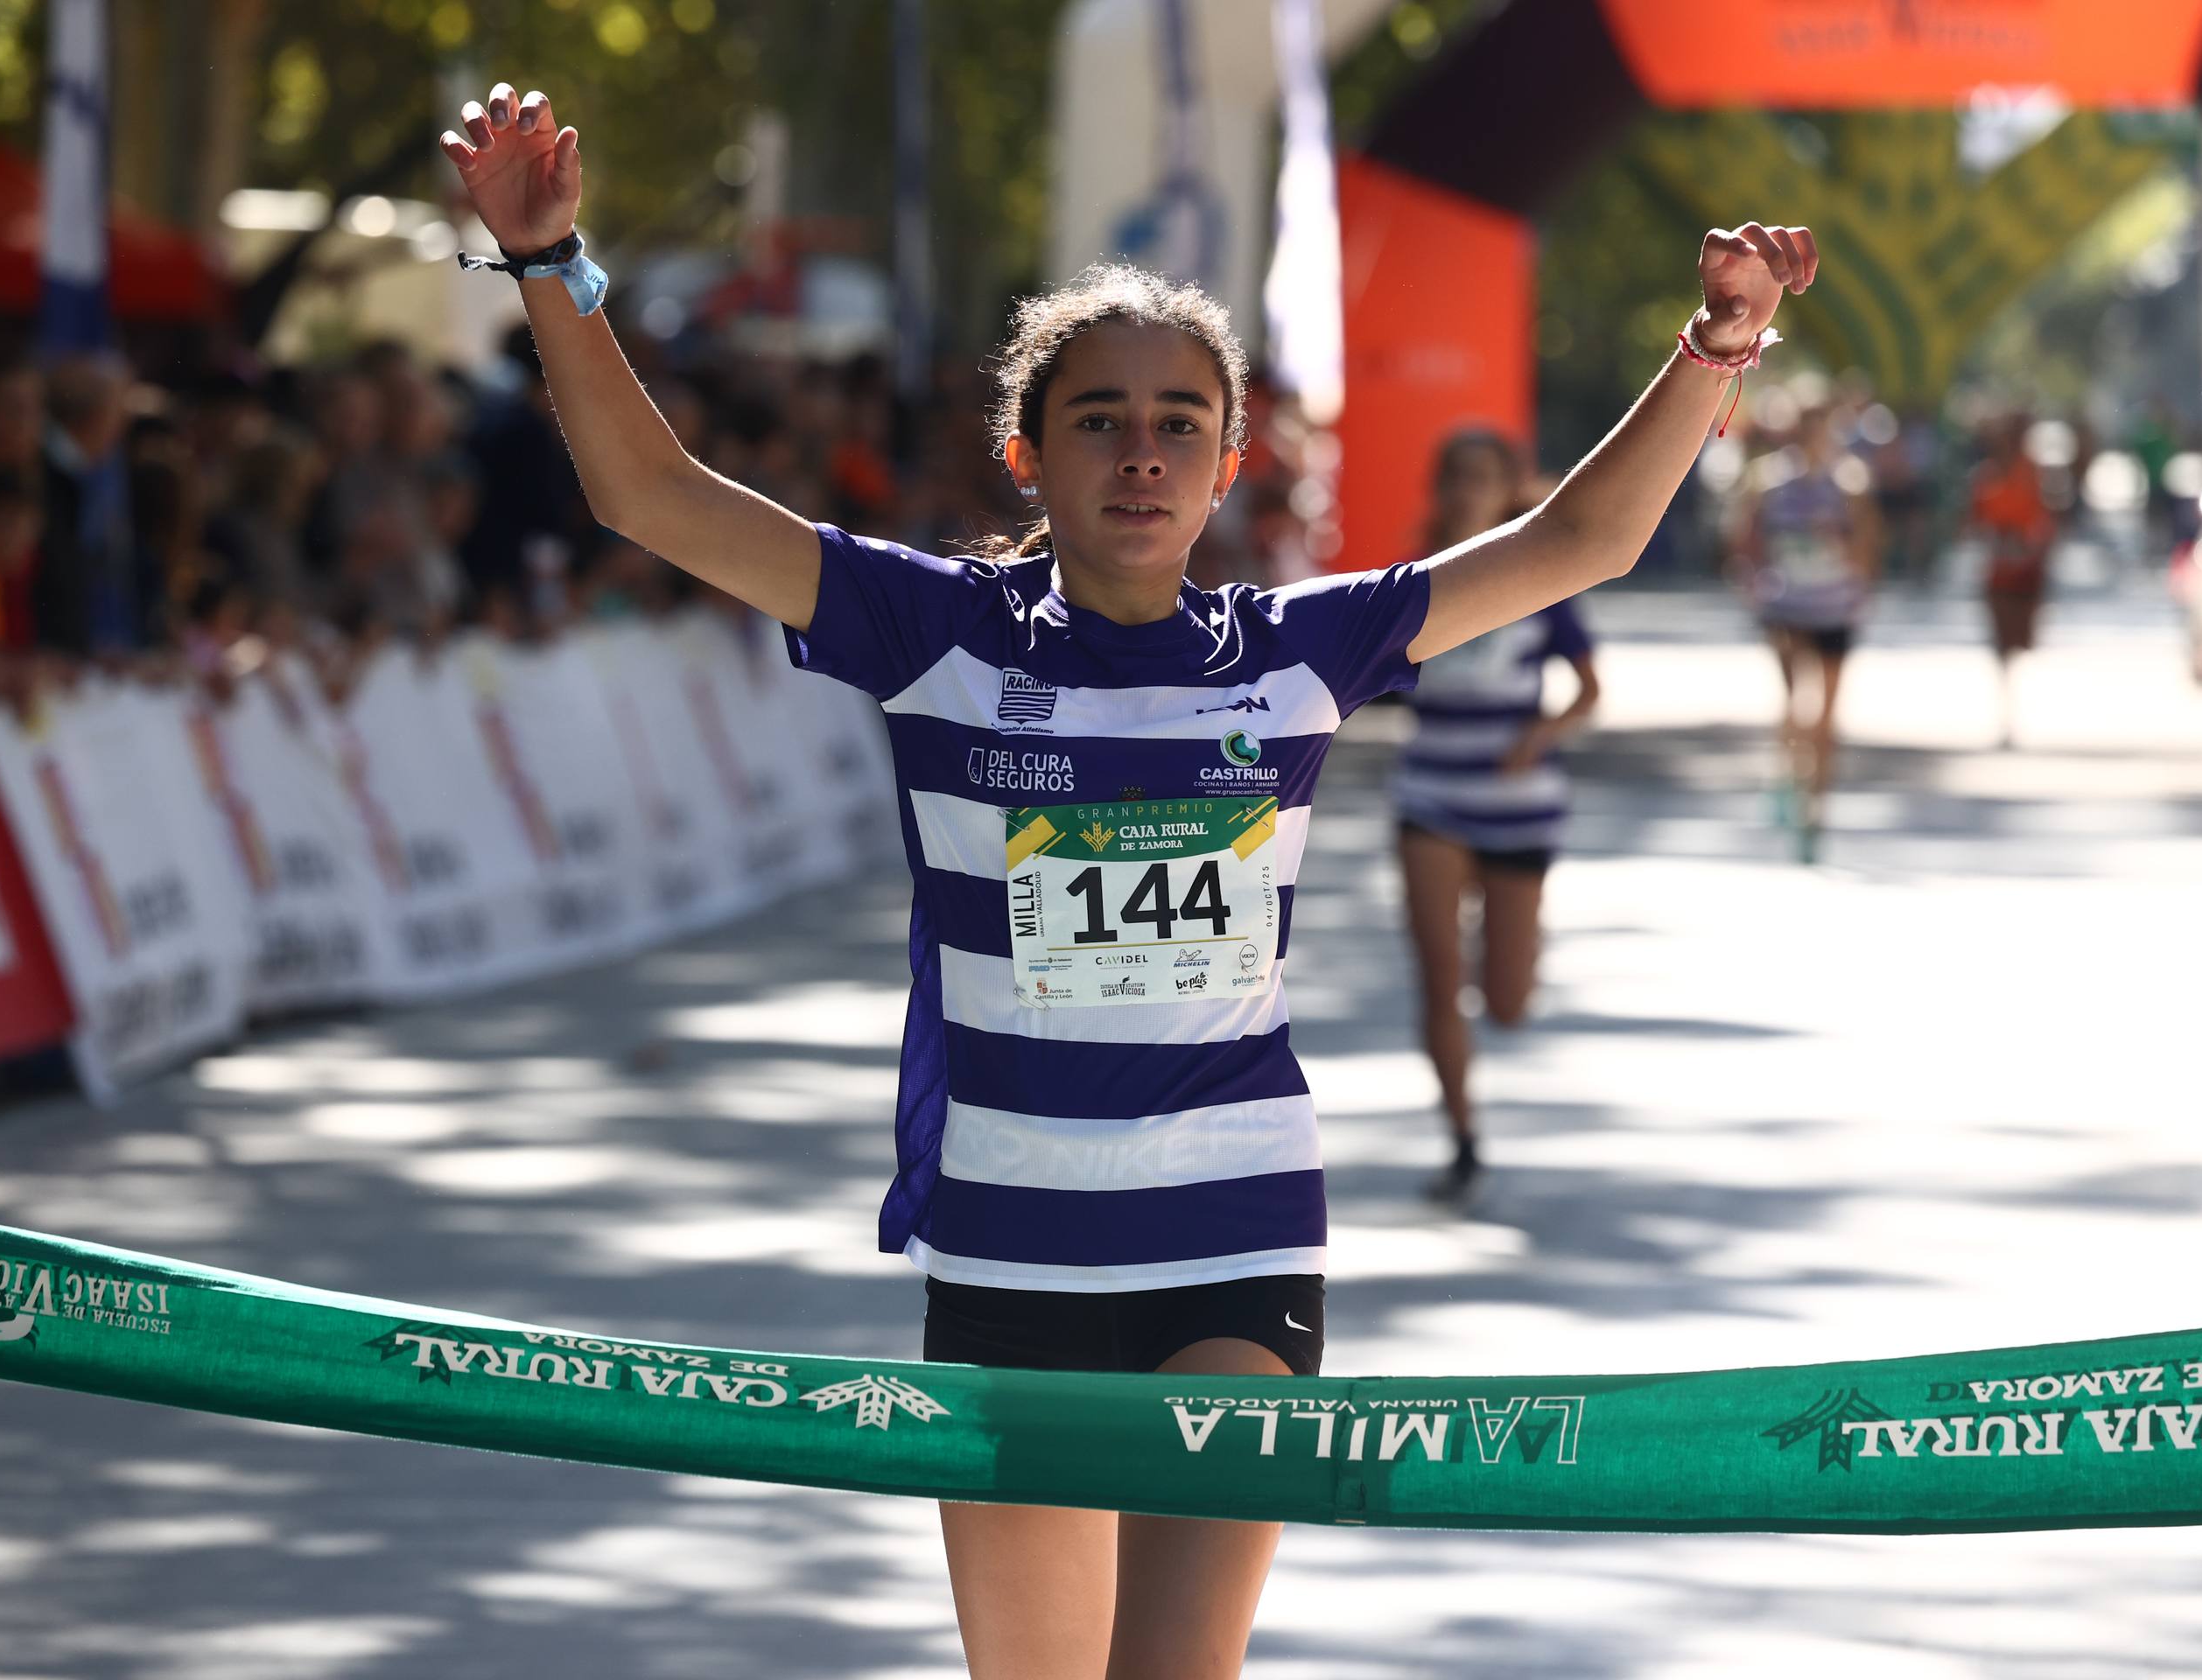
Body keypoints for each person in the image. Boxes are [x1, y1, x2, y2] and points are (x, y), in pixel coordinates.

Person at [442, 79, 1816, 1680]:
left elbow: (1576, 541)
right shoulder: (932, 632)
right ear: (1028, 452)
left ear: (1229, 465)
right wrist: (550, 263)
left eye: (1180, 425)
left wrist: (1715, 347)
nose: (1142, 455)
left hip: (1231, 1232)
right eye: (1100, 419)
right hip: (1008, 1246)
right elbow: (650, 499)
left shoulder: (1294, 651)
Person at [1392, 428, 1600, 1203]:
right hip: (1430, 797)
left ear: (1506, 487)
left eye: (1482, 476)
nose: (1466, 490)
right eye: (1454, 476)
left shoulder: (1541, 580)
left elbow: (1588, 691)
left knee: (1505, 1001)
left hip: (1518, 805)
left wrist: (1540, 735)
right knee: (1438, 979)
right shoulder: (1409, 581)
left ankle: (1512, 951)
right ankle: (1463, 1139)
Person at [1731, 400, 1879, 862]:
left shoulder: (1850, 482)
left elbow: (1869, 543)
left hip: (1835, 607)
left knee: (1827, 715)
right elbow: (1745, 536)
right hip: (1788, 605)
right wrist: (1752, 579)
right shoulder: (1769, 479)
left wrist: (1848, 556)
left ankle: (1816, 807)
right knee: (1795, 701)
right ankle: (1789, 775)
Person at [1968, 411, 2054, 748]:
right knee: (2002, 644)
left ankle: (2019, 704)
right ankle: (2007, 710)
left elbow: (2045, 521)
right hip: (1998, 573)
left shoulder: (2032, 474)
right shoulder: (1985, 478)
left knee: (2022, 642)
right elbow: (1973, 523)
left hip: (2026, 572)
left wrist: (2031, 544)